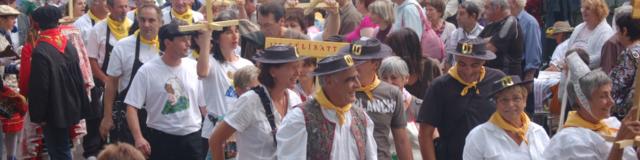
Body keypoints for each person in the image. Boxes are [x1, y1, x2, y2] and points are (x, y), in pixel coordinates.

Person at [124, 20, 209, 159]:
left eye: (189, 39)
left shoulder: (194, 67)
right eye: (183, 40)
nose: (188, 44)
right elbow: (131, 106)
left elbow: (203, 105)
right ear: (168, 42)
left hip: (193, 139)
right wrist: (138, 137)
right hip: (161, 139)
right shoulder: (147, 70)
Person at [209, 45, 304, 160]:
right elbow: (216, 140)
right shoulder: (250, 101)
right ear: (273, 71)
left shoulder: (294, 98)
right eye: (293, 67)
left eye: (299, 67)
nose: (298, 72)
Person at [417, 38, 506, 160]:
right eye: (462, 64)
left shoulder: (498, 79)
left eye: (474, 65)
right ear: (456, 60)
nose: (468, 71)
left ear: (483, 61)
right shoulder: (439, 86)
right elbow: (425, 134)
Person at [276, 54, 378, 159]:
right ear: (328, 81)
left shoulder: (362, 118)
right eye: (350, 79)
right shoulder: (299, 119)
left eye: (357, 77)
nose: (358, 85)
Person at [28, 6, 90, 160]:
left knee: (58, 150)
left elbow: (40, 87)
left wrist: (38, 115)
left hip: (53, 109)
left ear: (37, 24)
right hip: (70, 104)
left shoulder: (41, 50)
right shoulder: (67, 44)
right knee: (63, 147)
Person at [543, 59, 637, 159]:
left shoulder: (612, 123)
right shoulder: (570, 141)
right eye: (603, 96)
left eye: (610, 94)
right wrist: (619, 142)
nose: (612, 102)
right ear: (581, 101)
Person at [101, 3, 162, 148]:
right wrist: (107, 116)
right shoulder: (123, 46)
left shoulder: (167, 45)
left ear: (160, 22)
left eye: (151, 20)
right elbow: (111, 83)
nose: (146, 25)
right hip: (131, 115)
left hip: (161, 114)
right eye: (142, 20)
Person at [196, 10, 254, 159]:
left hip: (241, 131)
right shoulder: (211, 62)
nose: (235, 36)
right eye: (228, 32)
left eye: (236, 31)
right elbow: (202, 72)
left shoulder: (246, 64)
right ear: (217, 37)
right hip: (215, 131)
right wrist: (205, 39)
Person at [345, 38, 412, 160]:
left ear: (375, 64)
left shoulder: (392, 93)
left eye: (359, 61)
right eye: (351, 59)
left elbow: (401, 140)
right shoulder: (341, 91)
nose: (353, 64)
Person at [463, 75, 550, 159]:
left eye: (516, 98)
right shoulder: (479, 136)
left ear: (524, 101)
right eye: (504, 100)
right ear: (496, 104)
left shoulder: (538, 132)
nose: (511, 104)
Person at [378, 56, 424, 158]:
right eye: (384, 78)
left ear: (406, 78)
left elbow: (433, 140)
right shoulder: (374, 106)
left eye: (394, 78)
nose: (389, 82)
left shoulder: (420, 107)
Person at [385, 28, 441, 100]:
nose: (390, 55)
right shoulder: (388, 70)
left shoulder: (430, 66)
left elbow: (440, 95)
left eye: (393, 51)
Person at [556, 0, 613, 68]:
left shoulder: (606, 31)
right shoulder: (578, 28)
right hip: (570, 72)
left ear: (598, 11)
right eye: (582, 7)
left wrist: (577, 62)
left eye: (588, 8)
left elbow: (601, 58)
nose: (583, 11)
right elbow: (568, 50)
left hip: (591, 75)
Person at [608, 11, 640, 120]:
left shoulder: (629, 54)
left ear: (625, 31)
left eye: (617, 30)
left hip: (628, 115)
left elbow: (616, 86)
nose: (616, 34)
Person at [478, 0, 523, 77]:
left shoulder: (510, 22)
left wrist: (484, 42)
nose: (483, 11)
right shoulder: (490, 25)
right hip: (491, 76)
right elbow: (474, 45)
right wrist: (489, 40)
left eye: (486, 7)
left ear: (497, 8)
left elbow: (488, 50)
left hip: (506, 78)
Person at [443, 0, 483, 71]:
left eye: (461, 14)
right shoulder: (454, 34)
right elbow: (448, 60)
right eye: (457, 14)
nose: (457, 18)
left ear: (473, 16)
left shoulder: (483, 34)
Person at [508, 0, 541, 81]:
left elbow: (533, 52)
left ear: (513, 2)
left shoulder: (530, 22)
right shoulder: (509, 20)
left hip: (522, 72)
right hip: (510, 71)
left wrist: (529, 77)